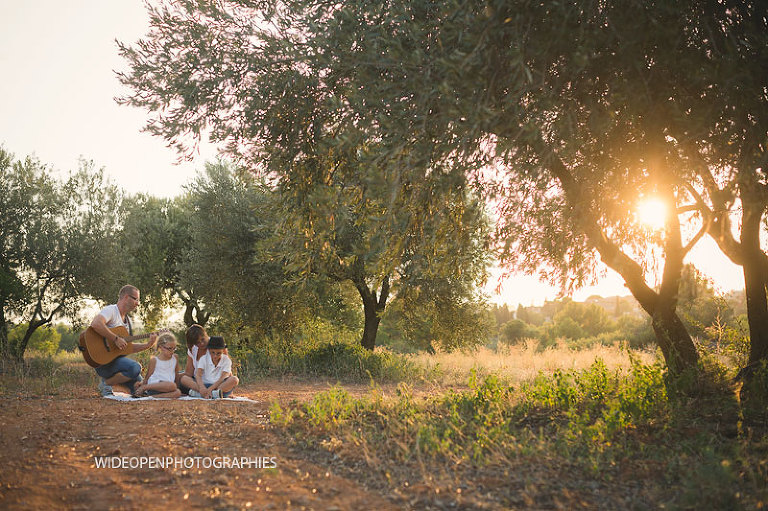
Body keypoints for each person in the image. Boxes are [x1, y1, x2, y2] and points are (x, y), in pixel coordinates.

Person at [90, 285, 157, 396]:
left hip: (117, 364)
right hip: (103, 362)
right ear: (126, 297)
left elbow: (127, 348)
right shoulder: (111, 310)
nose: (138, 303)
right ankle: (105, 383)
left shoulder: (127, 321)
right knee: (136, 367)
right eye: (135, 299)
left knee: (142, 388)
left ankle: (131, 390)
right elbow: (96, 324)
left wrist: (148, 345)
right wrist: (115, 338)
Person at [133, 332, 182, 399]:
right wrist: (142, 386)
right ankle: (145, 388)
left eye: (174, 348)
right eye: (169, 348)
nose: (172, 351)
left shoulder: (175, 358)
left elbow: (176, 375)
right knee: (172, 385)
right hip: (154, 387)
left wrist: (177, 388)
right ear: (161, 347)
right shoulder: (154, 360)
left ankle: (149, 397)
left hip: (167, 388)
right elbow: (147, 377)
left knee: (178, 392)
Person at [178, 324, 210, 395]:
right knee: (184, 379)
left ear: (206, 334)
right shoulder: (193, 349)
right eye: (197, 342)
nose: (201, 343)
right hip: (197, 382)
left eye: (203, 339)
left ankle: (200, 392)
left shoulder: (216, 343)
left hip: (214, 381)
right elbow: (189, 373)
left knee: (234, 380)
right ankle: (206, 392)